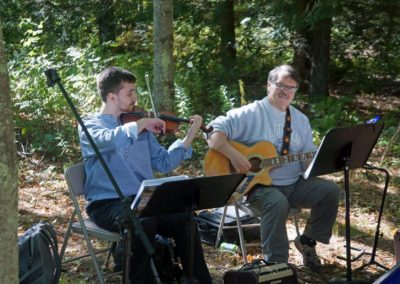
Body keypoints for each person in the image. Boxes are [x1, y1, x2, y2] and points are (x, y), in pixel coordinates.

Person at [78, 66, 212, 283]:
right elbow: (106, 141)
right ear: (112, 97)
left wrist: (188, 138)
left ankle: (198, 279)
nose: (135, 98)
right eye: (129, 93)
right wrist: (140, 125)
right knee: (143, 222)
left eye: (135, 92)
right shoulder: (90, 125)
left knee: (185, 218)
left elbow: (163, 162)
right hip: (107, 203)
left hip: (144, 199)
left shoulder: (139, 124)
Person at [206, 64, 340, 269]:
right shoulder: (249, 113)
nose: (285, 91)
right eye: (280, 85)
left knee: (330, 191)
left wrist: (324, 160)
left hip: (294, 185)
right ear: (269, 85)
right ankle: (276, 265)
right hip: (255, 188)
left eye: (291, 88)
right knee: (277, 202)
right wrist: (234, 156)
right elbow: (212, 134)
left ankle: (307, 242)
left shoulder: (300, 120)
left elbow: (308, 161)